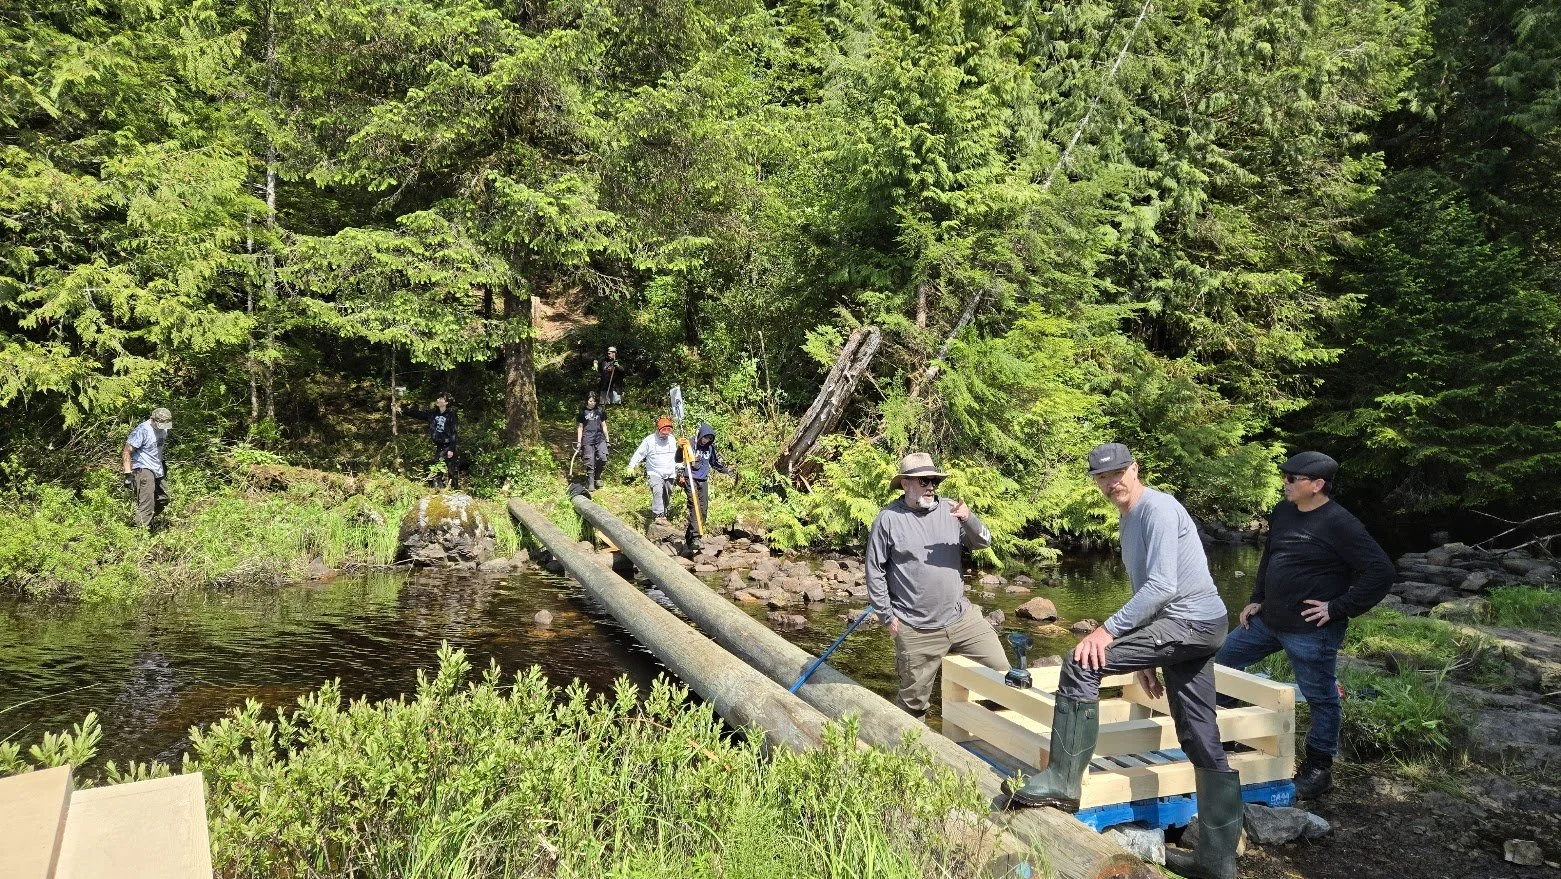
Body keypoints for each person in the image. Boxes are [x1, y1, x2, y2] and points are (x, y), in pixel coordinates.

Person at [1006, 443, 1239, 879]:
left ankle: (1062, 781)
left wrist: (1108, 631)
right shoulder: (1129, 518)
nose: (1111, 483)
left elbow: (1164, 586)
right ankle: (1216, 863)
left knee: (1083, 661)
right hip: (1191, 627)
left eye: (1118, 473)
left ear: (1135, 469)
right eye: (1101, 477)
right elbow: (1146, 590)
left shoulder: (1158, 509)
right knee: (1197, 731)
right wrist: (1142, 655)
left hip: (1189, 623)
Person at [1215, 451, 1393, 801]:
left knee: (1320, 697)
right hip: (1268, 620)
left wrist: (1339, 607)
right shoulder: (1283, 512)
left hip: (1311, 630)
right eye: (1284, 476)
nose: (1284, 483)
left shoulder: (1341, 523)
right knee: (1221, 665)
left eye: (1291, 479)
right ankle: (1227, 735)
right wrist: (1257, 597)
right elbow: (1271, 555)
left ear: (1317, 485)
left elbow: (1381, 571)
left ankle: (1318, 768)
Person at [865, 453, 1009, 720]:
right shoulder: (888, 519)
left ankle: (985, 740)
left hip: (961, 620)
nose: (931, 486)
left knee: (1003, 675)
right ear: (906, 483)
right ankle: (910, 755)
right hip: (915, 628)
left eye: (934, 481)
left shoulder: (951, 511)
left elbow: (985, 542)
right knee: (913, 704)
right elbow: (874, 571)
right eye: (924, 481)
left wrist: (969, 518)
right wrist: (886, 615)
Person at [675, 423, 731, 544]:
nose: (706, 440)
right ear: (700, 435)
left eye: (710, 439)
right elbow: (678, 459)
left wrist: (727, 470)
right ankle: (696, 537)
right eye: (705, 437)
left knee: (703, 510)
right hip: (690, 478)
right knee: (694, 507)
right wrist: (680, 448)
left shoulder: (710, 448)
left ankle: (690, 537)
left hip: (703, 480)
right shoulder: (689, 442)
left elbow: (714, 463)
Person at [122, 407, 173, 528]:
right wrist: (128, 473)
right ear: (152, 419)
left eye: (165, 423)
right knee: (147, 503)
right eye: (160, 423)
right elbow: (126, 451)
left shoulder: (165, 427)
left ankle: (144, 521)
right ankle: (139, 532)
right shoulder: (142, 430)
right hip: (143, 467)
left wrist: (161, 464)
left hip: (157, 467)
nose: (163, 426)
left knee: (163, 499)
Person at [626, 416, 678, 525]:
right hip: (654, 472)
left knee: (667, 493)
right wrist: (631, 465)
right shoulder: (649, 440)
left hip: (669, 472)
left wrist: (681, 466)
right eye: (663, 432)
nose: (665, 434)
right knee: (658, 491)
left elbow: (676, 455)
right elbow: (639, 453)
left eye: (668, 432)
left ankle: (664, 512)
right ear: (658, 429)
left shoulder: (672, 439)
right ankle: (659, 515)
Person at [404, 393, 459, 489]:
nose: (438, 399)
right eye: (438, 397)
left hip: (449, 445)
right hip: (440, 446)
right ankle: (439, 489)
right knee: (438, 467)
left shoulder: (451, 414)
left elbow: (454, 432)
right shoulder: (433, 413)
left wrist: (451, 449)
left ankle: (454, 489)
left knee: (452, 469)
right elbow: (419, 414)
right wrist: (404, 410)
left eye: (441, 398)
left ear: (446, 402)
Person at [575, 392, 611, 491]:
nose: (592, 403)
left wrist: (607, 439)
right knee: (589, 460)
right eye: (591, 401)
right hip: (587, 439)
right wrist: (579, 442)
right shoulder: (583, 412)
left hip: (600, 438)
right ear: (587, 401)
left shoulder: (600, 411)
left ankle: (597, 477)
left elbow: (604, 426)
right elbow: (580, 427)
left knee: (603, 457)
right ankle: (591, 482)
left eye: (594, 401)